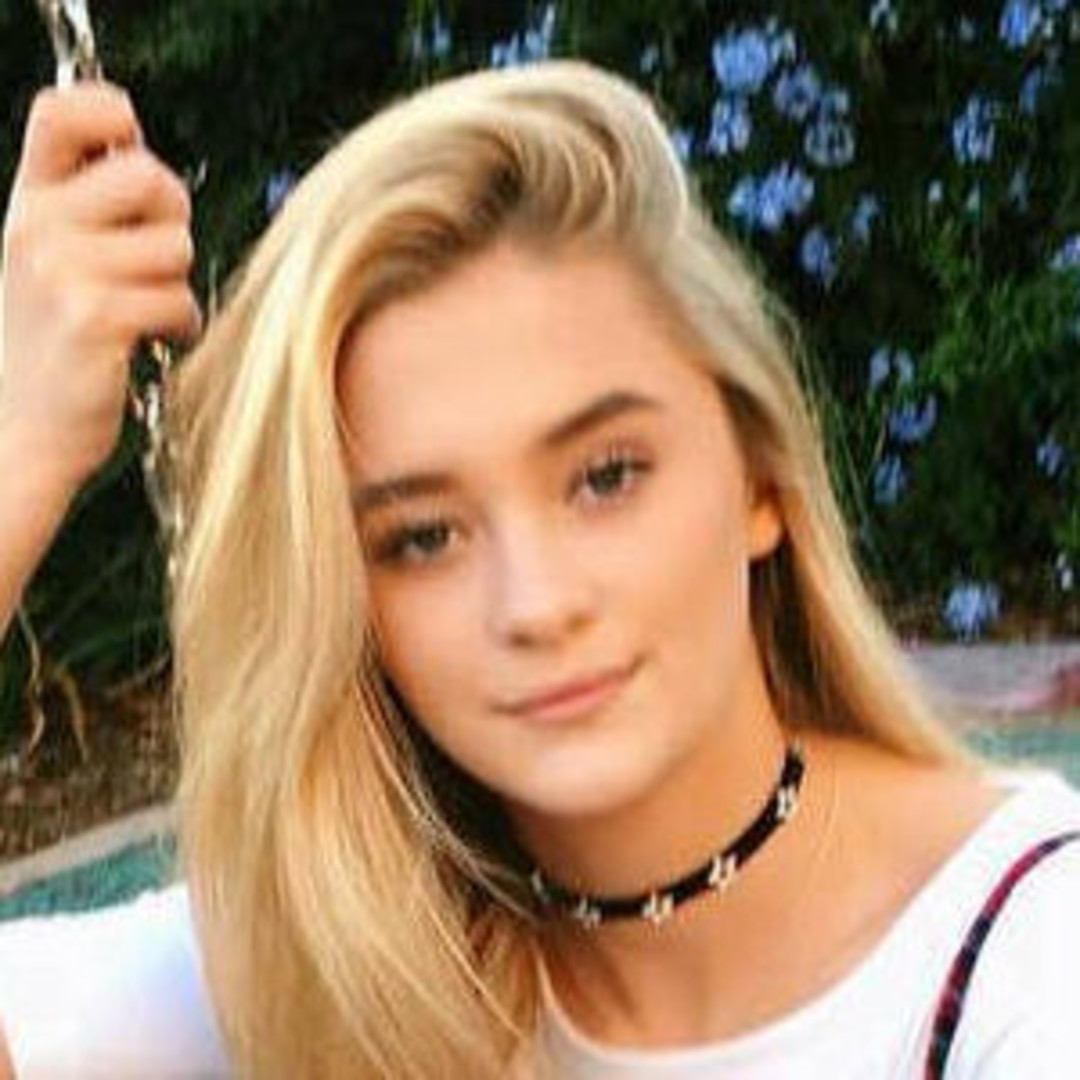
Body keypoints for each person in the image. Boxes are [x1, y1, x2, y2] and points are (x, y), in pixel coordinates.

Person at [0, 59, 1078, 1079]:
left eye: (607, 477)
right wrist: (22, 456)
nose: (538, 603)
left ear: (762, 481)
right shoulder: (356, 957)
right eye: (423, 538)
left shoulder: (1029, 960)